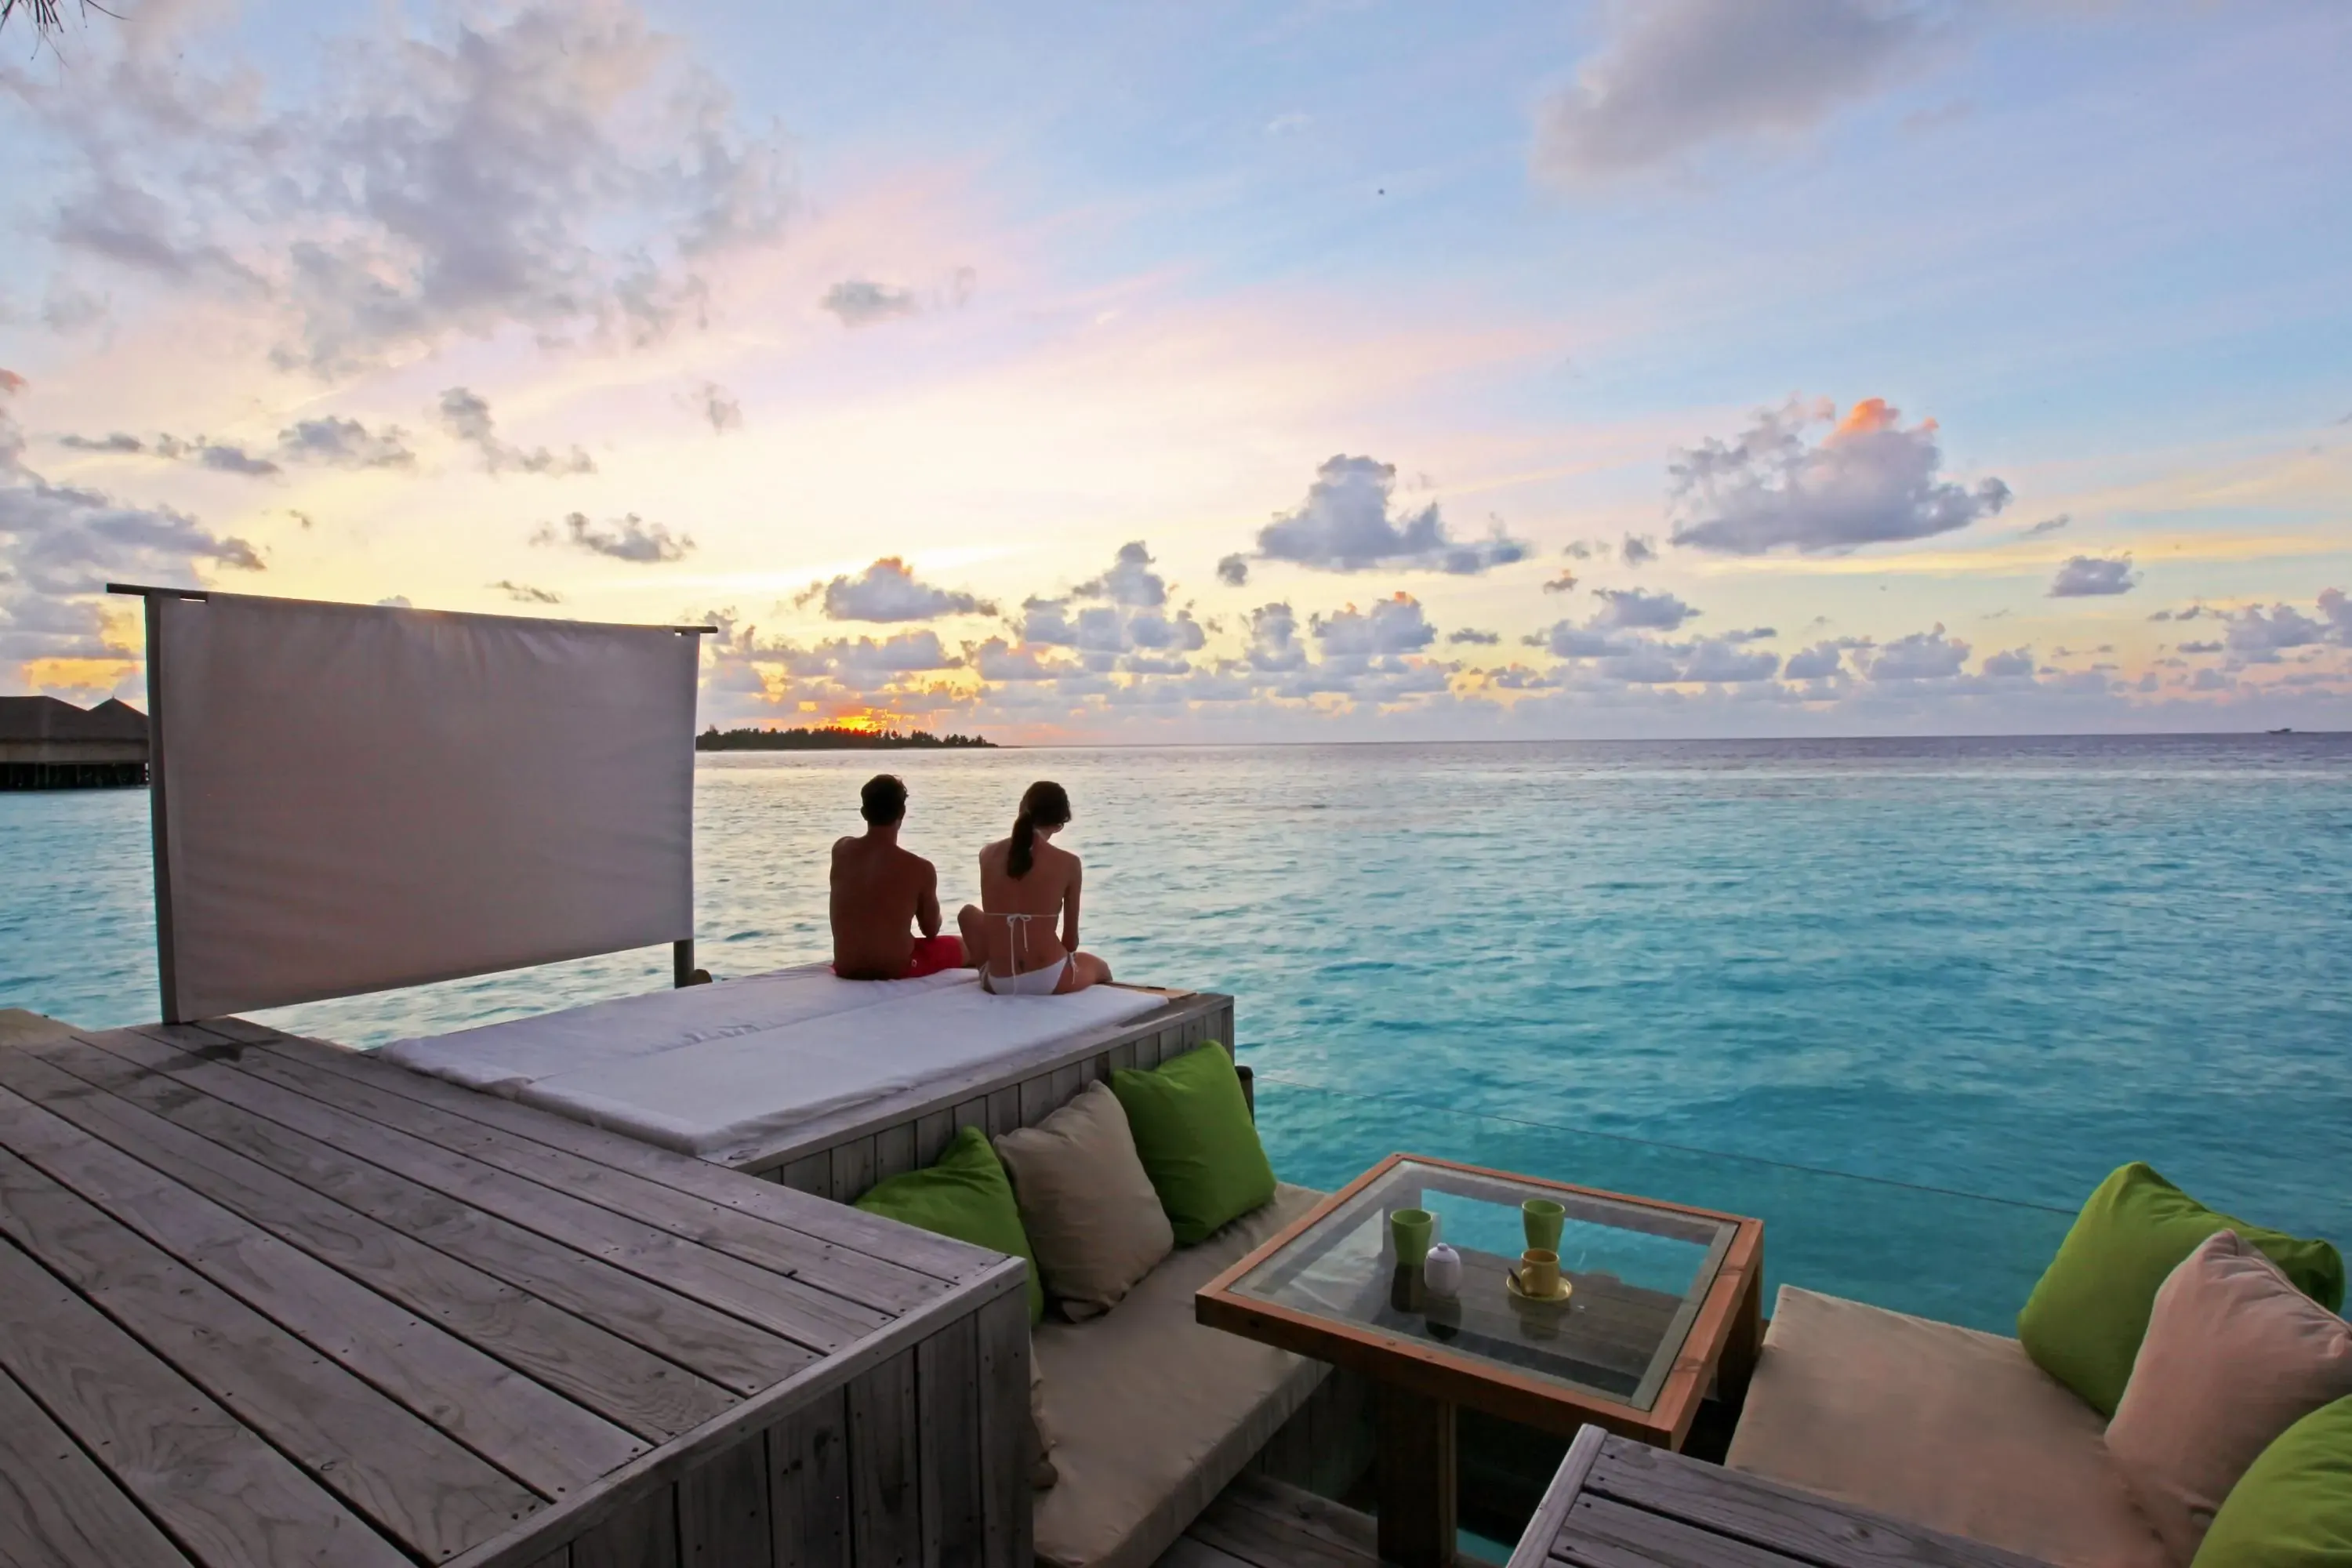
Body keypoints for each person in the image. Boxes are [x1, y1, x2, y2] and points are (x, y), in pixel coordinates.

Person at [956, 781, 1112, 995]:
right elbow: (1070, 942)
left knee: (968, 914)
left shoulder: (987, 854)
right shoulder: (1069, 863)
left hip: (998, 981)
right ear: (1059, 824)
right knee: (1100, 968)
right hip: (1049, 978)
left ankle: (992, 970)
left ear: (1022, 809)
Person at [831, 774, 964, 980]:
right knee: (967, 946)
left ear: (864, 813)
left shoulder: (840, 850)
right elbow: (931, 930)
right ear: (902, 812)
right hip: (895, 968)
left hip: (845, 967)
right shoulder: (920, 868)